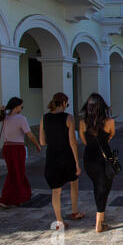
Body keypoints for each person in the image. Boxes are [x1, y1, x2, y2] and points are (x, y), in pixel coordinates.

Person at [39, 93, 85, 230]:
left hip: (52, 156)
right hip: (67, 156)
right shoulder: (68, 118)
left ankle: (59, 221)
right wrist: (77, 162)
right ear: (64, 102)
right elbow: (73, 142)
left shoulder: (44, 118)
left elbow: (42, 142)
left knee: (56, 191)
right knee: (74, 184)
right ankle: (74, 211)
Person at [79, 93, 116, 233]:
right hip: (105, 158)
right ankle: (99, 223)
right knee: (104, 188)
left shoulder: (83, 122)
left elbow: (84, 141)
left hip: (89, 158)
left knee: (97, 186)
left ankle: (101, 218)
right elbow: (111, 135)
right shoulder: (109, 122)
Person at [0, 97, 41, 208]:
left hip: (7, 148)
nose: (22, 108)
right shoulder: (21, 118)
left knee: (14, 172)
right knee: (18, 172)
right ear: (17, 107)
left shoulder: (5, 117)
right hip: (17, 148)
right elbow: (29, 134)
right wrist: (37, 145)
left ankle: (19, 196)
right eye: (21, 106)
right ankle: (12, 198)